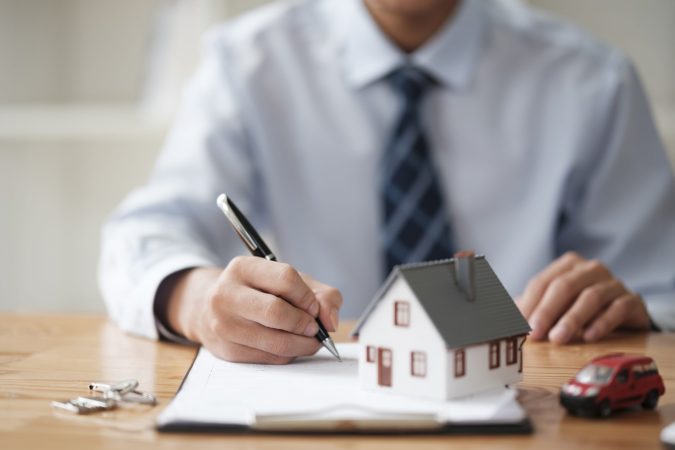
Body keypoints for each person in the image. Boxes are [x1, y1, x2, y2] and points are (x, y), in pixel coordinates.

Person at [99, 0, 675, 364]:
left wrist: (629, 307)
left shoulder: (593, 81)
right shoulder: (245, 63)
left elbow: (661, 287)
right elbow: (143, 236)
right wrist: (196, 300)